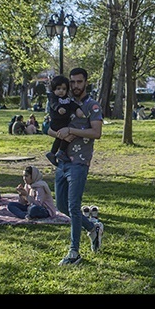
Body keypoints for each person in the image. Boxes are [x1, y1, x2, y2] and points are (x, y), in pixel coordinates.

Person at [49, 67, 104, 266]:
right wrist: (61, 134)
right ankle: (92, 227)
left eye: (79, 82)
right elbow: (48, 128)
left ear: (86, 82)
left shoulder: (92, 106)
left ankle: (74, 252)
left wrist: (72, 130)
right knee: (61, 206)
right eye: (72, 82)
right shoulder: (63, 102)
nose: (75, 86)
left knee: (73, 206)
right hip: (62, 160)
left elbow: (96, 132)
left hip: (79, 162)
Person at [45, 74, 80, 166]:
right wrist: (58, 108)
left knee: (60, 138)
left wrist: (77, 109)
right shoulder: (53, 97)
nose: (61, 91)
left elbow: (72, 104)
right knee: (65, 135)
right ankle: (61, 152)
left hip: (64, 121)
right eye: (58, 88)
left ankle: (53, 153)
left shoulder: (67, 99)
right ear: (53, 89)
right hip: (56, 121)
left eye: (64, 89)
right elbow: (53, 104)